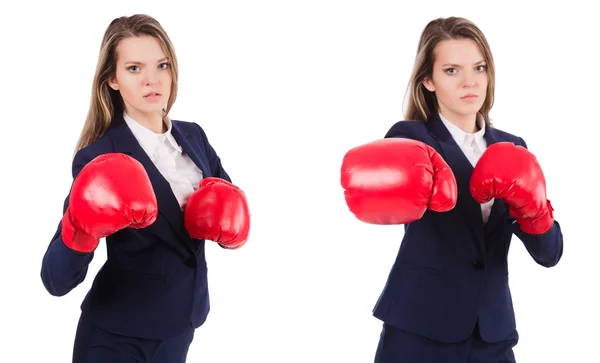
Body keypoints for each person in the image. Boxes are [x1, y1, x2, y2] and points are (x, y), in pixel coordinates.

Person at [340, 16, 563, 362]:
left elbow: (550, 254)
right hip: (420, 327)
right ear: (428, 80)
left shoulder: (513, 147)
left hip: (492, 333)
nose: (470, 82)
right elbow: (377, 193)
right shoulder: (410, 138)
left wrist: (534, 212)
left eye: (478, 68)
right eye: (451, 71)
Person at [40, 14, 251, 363]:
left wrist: (231, 222)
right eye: (135, 68)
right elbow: (55, 279)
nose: (152, 80)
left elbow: (227, 217)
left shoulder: (194, 137)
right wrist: (79, 226)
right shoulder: (99, 157)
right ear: (113, 80)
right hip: (116, 338)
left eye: (162, 65)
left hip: (182, 327)